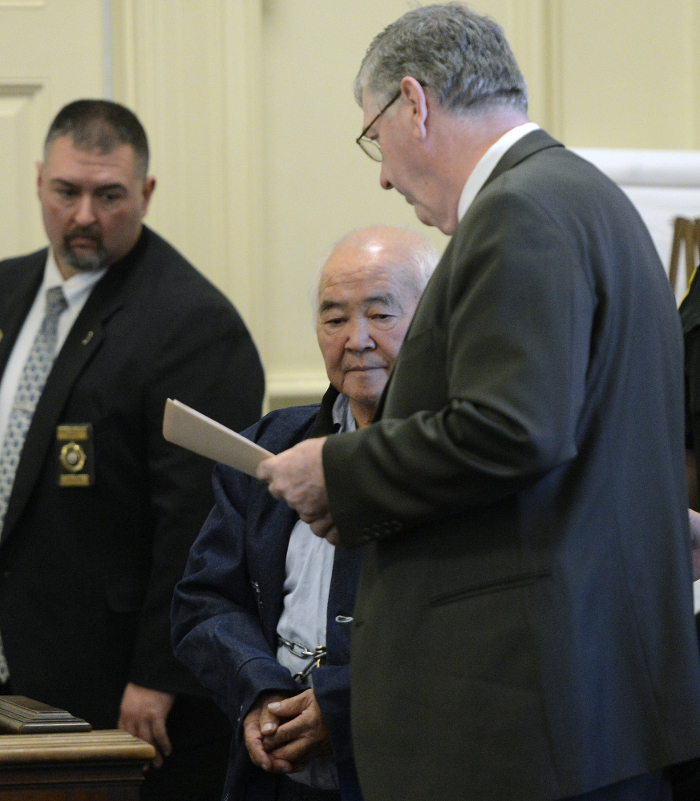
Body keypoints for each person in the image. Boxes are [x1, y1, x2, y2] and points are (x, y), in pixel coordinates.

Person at [256, 5, 700, 801]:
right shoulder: (589, 200)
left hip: (518, 724)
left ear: (414, 103)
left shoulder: (518, 211)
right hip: (587, 710)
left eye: (374, 137)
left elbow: (513, 427)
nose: (383, 175)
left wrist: (339, 471)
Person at [0, 99, 264, 800]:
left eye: (109, 195)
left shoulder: (193, 323)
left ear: (145, 192)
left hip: (111, 679)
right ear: (38, 181)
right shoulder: (5, 290)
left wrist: (159, 673)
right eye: (67, 191)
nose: (84, 215)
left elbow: (199, 520)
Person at [171, 226, 438, 801]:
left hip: (405, 770)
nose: (357, 340)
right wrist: (260, 692)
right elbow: (204, 600)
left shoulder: (458, 461)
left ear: (435, 319)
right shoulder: (271, 447)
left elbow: (467, 633)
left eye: (381, 315)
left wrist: (341, 706)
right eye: (334, 318)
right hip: (275, 772)